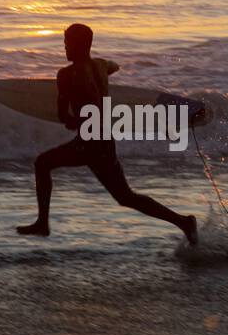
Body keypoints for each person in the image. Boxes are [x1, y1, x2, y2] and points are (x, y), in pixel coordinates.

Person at [17, 24, 198, 243]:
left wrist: (72, 120)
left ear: (79, 45)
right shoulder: (101, 66)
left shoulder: (66, 74)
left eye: (68, 43)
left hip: (88, 144)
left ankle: (42, 223)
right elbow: (115, 66)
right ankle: (183, 222)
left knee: (42, 163)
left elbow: (64, 115)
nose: (64, 47)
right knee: (125, 196)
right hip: (104, 140)